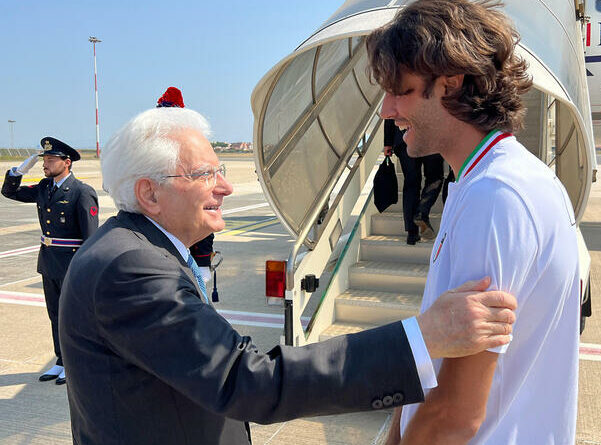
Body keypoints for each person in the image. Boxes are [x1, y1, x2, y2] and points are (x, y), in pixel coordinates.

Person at [58, 106, 518, 445]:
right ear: (149, 194)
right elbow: (247, 381)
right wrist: (421, 338)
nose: (226, 185)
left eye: (220, 169)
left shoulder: (140, 248)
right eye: (204, 174)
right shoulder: (130, 267)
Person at [367, 1, 580, 444]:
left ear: (451, 83)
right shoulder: (488, 180)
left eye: (401, 90)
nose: (387, 110)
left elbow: (455, 413)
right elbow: (438, 363)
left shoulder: (497, 196)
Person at [1, 137, 98, 385]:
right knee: (55, 314)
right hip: (49, 261)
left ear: (67, 163)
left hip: (72, 263)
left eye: (50, 160)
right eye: (44, 159)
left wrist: (87, 271)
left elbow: (90, 236)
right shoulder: (45, 188)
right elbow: (9, 192)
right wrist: (20, 170)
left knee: (72, 316)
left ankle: (75, 362)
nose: (45, 164)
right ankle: (61, 360)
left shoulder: (82, 192)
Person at [157, 86, 217, 286]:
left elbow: (203, 208)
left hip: (188, 246)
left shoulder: (193, 151)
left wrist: (202, 261)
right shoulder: (149, 153)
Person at [384, 118, 443, 244]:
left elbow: (390, 112)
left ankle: (412, 233)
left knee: (411, 182)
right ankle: (422, 211)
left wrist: (388, 142)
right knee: (435, 177)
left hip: (403, 137)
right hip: (430, 135)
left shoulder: (396, 96)